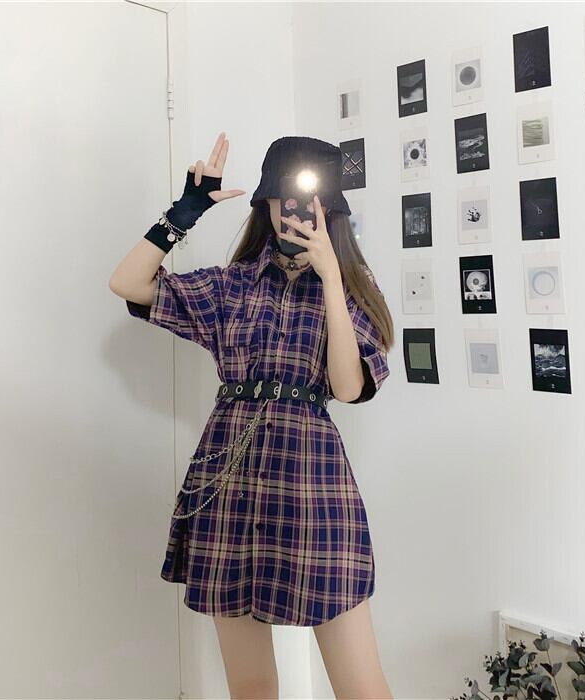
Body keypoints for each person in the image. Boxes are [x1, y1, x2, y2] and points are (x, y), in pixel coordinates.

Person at [109, 132, 395, 699]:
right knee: (252, 686)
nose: (294, 211)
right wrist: (184, 212)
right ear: (266, 203)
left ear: (329, 207)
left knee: (363, 689)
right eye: (283, 197)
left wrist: (331, 278)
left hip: (313, 492)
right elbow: (128, 283)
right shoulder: (231, 285)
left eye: (308, 199)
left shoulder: (352, 292)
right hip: (228, 489)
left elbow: (346, 386)